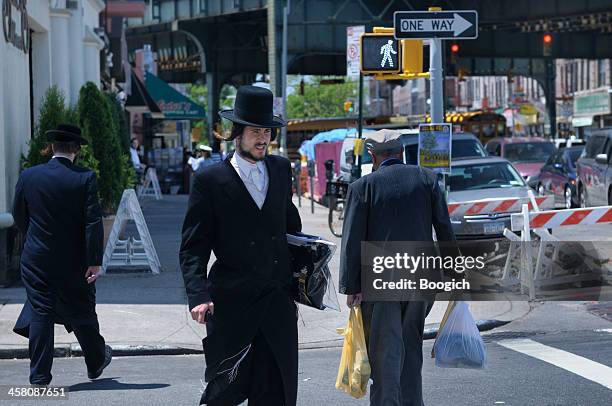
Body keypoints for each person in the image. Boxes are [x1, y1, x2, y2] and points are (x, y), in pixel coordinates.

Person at [180, 85, 302, 406]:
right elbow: (194, 245)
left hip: (277, 302)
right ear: (237, 133)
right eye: (256, 131)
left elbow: (292, 229)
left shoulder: (280, 169)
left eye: (268, 131)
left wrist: (308, 275)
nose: (264, 138)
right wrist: (198, 294)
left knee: (277, 391)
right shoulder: (210, 180)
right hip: (233, 303)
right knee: (224, 392)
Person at [339, 129, 457, 406]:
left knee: (385, 361)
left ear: (372, 156)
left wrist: (351, 287)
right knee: (411, 355)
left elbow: (352, 241)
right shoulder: (427, 179)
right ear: (402, 152)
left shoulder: (362, 187)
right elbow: (444, 229)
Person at [12, 124, 112, 385]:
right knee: (82, 309)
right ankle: (95, 361)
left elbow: (19, 216)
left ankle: (39, 377)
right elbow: (92, 222)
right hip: (74, 260)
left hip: (36, 257)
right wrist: (94, 261)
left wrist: (34, 238)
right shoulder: (85, 177)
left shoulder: (29, 176)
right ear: (76, 150)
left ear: (51, 148)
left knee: (40, 312)